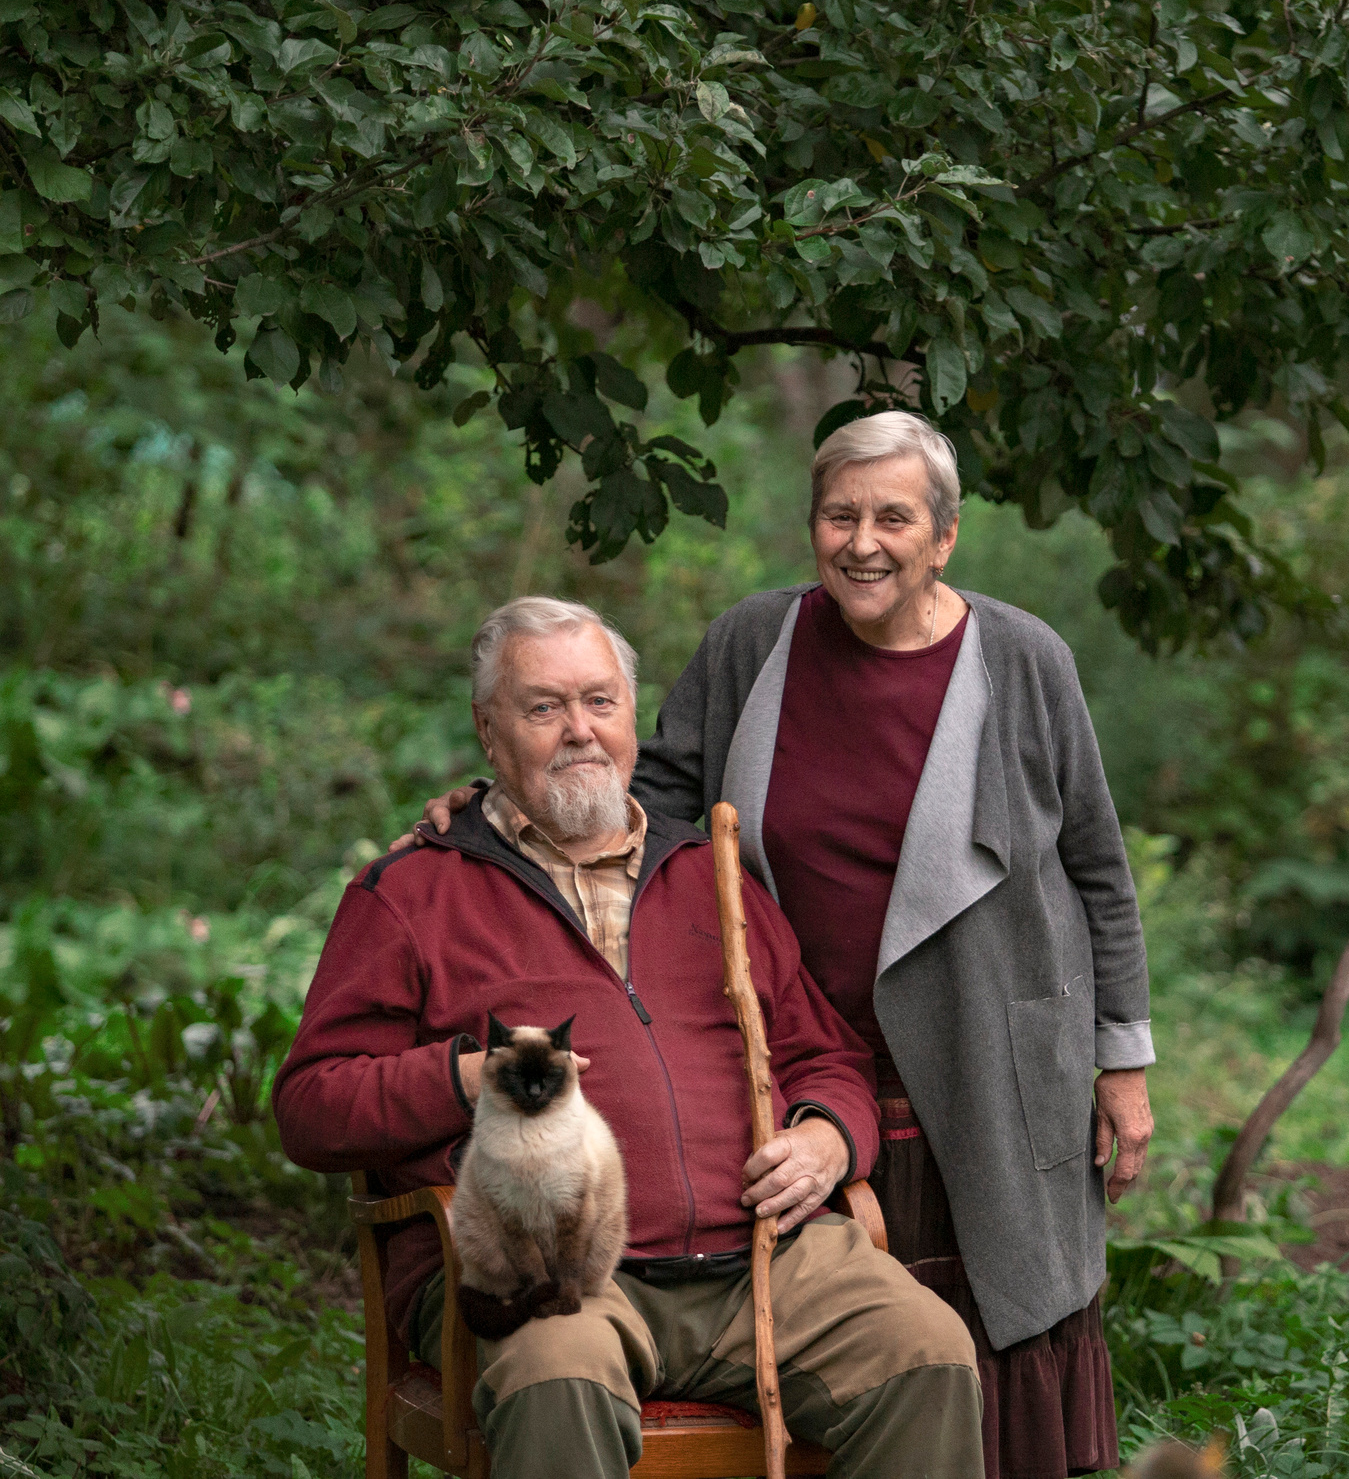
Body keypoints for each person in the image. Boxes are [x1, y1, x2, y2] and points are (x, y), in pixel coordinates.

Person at [414, 411, 1154, 1478]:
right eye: (838, 515)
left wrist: (1122, 1061)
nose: (863, 540)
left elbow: (1097, 863)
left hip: (990, 1050)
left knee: (990, 1324)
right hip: (800, 1065)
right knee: (843, 1350)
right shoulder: (754, 643)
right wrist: (493, 806)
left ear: (943, 537)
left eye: (893, 517)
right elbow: (646, 801)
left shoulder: (1024, 659)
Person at [275, 596, 982, 1479]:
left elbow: (825, 1056)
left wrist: (827, 1136)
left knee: (926, 1350)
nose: (580, 729)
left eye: (601, 702)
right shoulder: (415, 893)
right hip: (550, 1272)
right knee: (555, 1375)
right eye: (544, 707)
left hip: (764, 1256)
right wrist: (462, 1077)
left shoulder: (712, 875)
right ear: (488, 731)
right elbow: (309, 1106)